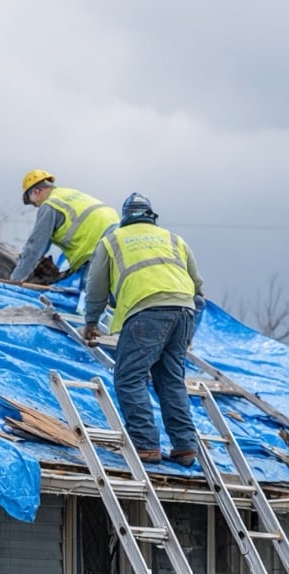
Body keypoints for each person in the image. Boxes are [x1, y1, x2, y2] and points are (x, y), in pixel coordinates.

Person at [82, 193, 206, 467]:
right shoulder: (174, 239)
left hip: (146, 313)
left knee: (129, 377)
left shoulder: (112, 241)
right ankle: (185, 447)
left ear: (124, 218)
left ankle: (146, 445)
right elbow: (198, 287)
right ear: (152, 216)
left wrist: (91, 322)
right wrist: (189, 326)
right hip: (184, 312)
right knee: (171, 379)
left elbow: (96, 287)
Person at [9, 170, 120, 286]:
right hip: (119, 230)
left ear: (36, 191)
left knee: (91, 294)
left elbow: (35, 247)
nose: (36, 206)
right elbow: (43, 245)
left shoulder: (49, 206)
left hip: (98, 243)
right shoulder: (66, 193)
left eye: (33, 202)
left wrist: (15, 280)